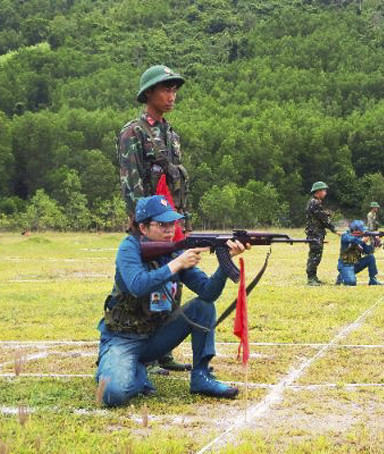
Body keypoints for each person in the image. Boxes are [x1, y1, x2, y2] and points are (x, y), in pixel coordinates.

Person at [96, 196, 248, 407]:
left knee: (202, 307)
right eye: (162, 224)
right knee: (112, 394)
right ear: (143, 227)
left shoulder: (174, 252)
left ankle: (201, 377)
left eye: (172, 223)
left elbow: (208, 293)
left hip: (157, 337)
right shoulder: (129, 248)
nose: (170, 229)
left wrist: (225, 261)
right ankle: (136, 371)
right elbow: (137, 285)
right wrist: (176, 264)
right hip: (124, 337)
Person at [118, 64, 190, 372]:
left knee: (174, 284)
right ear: (148, 94)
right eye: (165, 89)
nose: (171, 95)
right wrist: (143, 229)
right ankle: (143, 349)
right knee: (148, 286)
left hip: (172, 222)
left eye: (174, 90)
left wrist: (181, 222)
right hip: (148, 227)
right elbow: (131, 183)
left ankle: (165, 350)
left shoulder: (171, 134)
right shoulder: (132, 133)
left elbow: (176, 181)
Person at [305, 181, 339, 286]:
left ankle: (314, 277)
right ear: (318, 191)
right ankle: (311, 278)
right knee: (315, 255)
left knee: (316, 255)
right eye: (324, 191)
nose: (325, 193)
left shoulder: (314, 202)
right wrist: (334, 230)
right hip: (315, 233)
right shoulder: (314, 203)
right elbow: (323, 219)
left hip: (316, 233)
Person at [335, 220, 383, 286]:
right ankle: (341, 277)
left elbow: (367, 251)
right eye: (361, 230)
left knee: (371, 258)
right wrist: (362, 240)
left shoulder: (359, 238)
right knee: (351, 283)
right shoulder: (345, 236)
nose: (362, 232)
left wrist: (374, 243)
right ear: (355, 230)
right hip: (346, 265)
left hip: (355, 264)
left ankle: (373, 280)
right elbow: (353, 240)